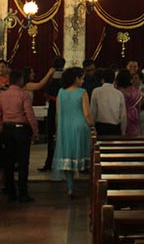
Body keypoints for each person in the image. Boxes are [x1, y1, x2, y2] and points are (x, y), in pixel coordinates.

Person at [0, 69, 38, 202]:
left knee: (9, 163)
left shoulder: (2, 95)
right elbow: (29, 114)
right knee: (23, 162)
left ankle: (11, 192)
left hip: (7, 130)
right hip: (21, 130)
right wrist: (35, 131)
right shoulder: (24, 95)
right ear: (20, 80)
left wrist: (2, 127)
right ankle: (23, 193)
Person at [52, 67, 93, 197]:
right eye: (81, 78)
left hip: (65, 127)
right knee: (83, 156)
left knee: (67, 158)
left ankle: (70, 187)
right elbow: (86, 113)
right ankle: (90, 186)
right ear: (76, 79)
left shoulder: (61, 92)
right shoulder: (82, 92)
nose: (83, 81)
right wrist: (92, 125)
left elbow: (58, 113)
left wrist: (58, 129)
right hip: (79, 126)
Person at [39, 57, 66, 171]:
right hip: (63, 109)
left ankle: (49, 163)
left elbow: (45, 93)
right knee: (62, 136)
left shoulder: (51, 78)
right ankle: (63, 163)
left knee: (51, 136)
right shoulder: (66, 78)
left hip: (53, 108)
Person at [90, 69, 126, 136]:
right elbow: (123, 116)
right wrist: (123, 132)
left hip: (100, 127)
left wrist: (92, 128)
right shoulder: (119, 93)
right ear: (114, 80)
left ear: (102, 79)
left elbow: (93, 112)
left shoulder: (96, 91)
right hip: (115, 128)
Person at [115, 69, 142, 136]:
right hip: (133, 114)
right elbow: (139, 105)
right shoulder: (134, 90)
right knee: (134, 136)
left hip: (119, 114)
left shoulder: (117, 90)